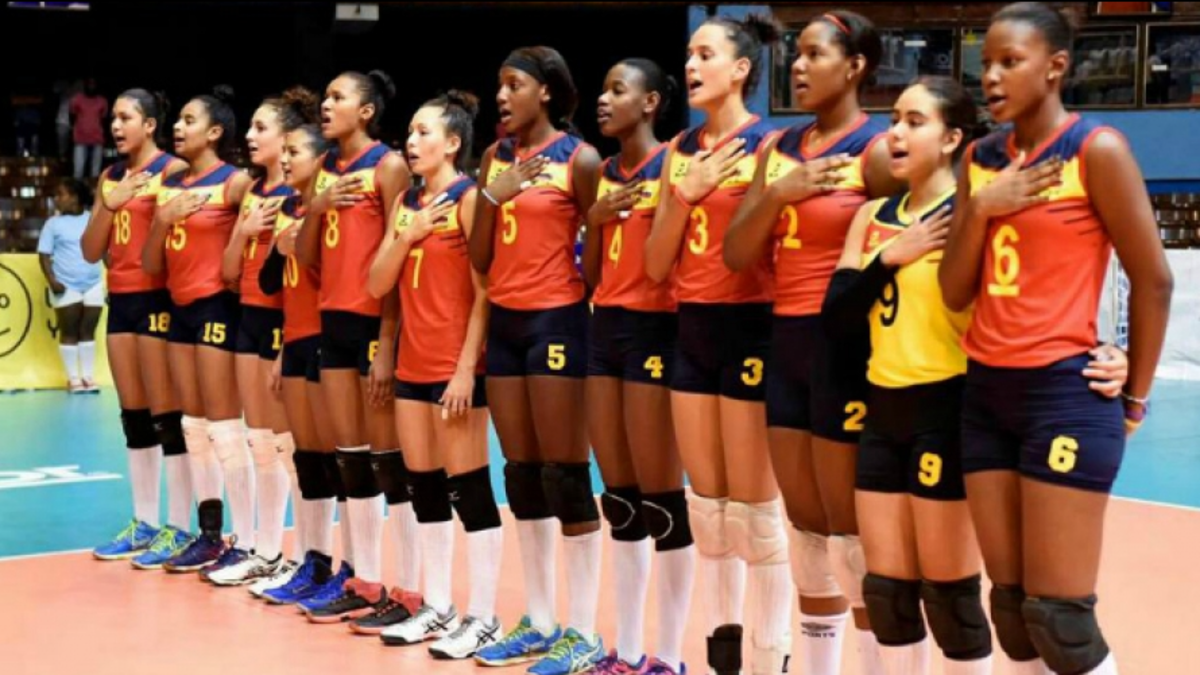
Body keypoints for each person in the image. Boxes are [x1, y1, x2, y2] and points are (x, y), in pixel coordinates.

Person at [938, 4, 1174, 674]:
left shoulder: (1096, 150)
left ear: (1056, 66)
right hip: (986, 396)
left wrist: (1134, 396)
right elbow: (955, 290)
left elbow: (1153, 280)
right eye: (986, 62)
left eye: (1010, 61)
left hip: (1063, 395)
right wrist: (982, 208)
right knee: (1014, 616)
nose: (991, 76)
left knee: (1061, 620)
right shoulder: (980, 161)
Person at [724, 11, 900, 674]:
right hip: (786, 344)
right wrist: (779, 193)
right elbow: (737, 252)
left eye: (814, 54)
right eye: (795, 53)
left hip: (848, 351)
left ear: (854, 67)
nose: (798, 66)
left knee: (854, 542)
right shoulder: (778, 150)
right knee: (807, 536)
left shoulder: (876, 151)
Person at [644, 15, 789, 675]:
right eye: (689, 54)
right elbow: (655, 264)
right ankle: (722, 661)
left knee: (757, 521)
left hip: (753, 327)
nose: (692, 66)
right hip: (693, 330)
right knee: (709, 516)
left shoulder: (771, 144)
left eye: (706, 54)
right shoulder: (679, 149)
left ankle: (771, 660)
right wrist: (685, 192)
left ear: (741, 69)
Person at [468, 46, 605, 674]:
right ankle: (541, 620)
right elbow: (480, 257)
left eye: (514, 84)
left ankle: (584, 632)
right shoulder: (495, 159)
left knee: (565, 476)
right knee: (521, 477)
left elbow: (598, 252)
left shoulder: (580, 160)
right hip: (507, 323)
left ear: (546, 91)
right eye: (500, 85)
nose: (502, 96)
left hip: (558, 321)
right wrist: (490, 198)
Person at [368, 89, 505, 659]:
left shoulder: (469, 199)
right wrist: (407, 234)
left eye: (425, 132)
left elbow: (485, 293)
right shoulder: (406, 203)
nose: (412, 140)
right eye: (410, 132)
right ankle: (438, 606)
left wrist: (466, 370)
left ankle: (485, 617)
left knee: (469, 488)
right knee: (422, 486)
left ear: (452, 143)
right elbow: (377, 283)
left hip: (454, 368)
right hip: (411, 365)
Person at [581, 57, 694, 675]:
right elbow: (593, 274)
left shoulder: (674, 160)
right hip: (606, 328)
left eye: (617, 90)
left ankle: (669, 656)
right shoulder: (603, 173)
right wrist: (594, 223)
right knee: (620, 502)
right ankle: (626, 651)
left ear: (650, 103)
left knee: (661, 501)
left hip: (657, 328)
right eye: (603, 89)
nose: (604, 99)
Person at [295, 70, 415, 627]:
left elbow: (398, 259)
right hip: (332, 320)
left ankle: (409, 591)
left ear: (366, 111)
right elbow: (306, 255)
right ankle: (364, 581)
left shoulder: (388, 166)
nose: (326, 104)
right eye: (326, 96)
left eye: (338, 97)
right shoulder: (325, 169)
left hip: (373, 324)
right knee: (350, 460)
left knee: (390, 463)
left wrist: (387, 344)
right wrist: (317, 207)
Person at [143, 86, 254, 575]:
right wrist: (161, 221)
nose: (178, 127)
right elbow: (151, 263)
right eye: (179, 119)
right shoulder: (168, 185)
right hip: (179, 308)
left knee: (225, 428)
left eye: (189, 120)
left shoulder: (235, 182)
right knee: (193, 426)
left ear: (214, 132)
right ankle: (209, 536)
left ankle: (248, 541)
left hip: (218, 308)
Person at [81, 88, 192, 568]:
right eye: (114, 118)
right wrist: (111, 203)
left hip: (159, 299)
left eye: (126, 117)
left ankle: (181, 527)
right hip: (122, 300)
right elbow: (91, 250)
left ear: (149, 125)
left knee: (169, 416)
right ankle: (144, 521)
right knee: (135, 417)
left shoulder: (173, 170)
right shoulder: (110, 177)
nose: (115, 126)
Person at [210, 89, 313, 588]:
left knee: (285, 444)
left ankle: (292, 554)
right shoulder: (252, 192)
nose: (250, 136)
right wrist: (243, 230)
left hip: (281, 321)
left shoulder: (298, 195)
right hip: (248, 314)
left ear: (288, 137)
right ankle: (261, 549)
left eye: (261, 128)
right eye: (249, 127)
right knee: (256, 440)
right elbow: (229, 273)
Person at [258, 119, 349, 607]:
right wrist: (279, 245)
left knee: (339, 461)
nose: (285, 159)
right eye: (285, 151)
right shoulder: (288, 208)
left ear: (320, 159)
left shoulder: (333, 206)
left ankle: (353, 569)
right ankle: (315, 562)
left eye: (295, 152)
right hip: (294, 339)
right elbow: (271, 283)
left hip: (325, 339)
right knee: (307, 459)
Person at [39, 178, 103, 393]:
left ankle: (88, 377)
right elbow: (44, 255)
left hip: (94, 283)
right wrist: (53, 281)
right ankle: (73, 378)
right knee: (69, 331)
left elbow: (103, 249)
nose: (56, 199)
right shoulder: (52, 224)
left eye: (61, 195)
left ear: (75, 198)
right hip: (66, 285)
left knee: (88, 331)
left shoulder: (92, 219)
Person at [71, 78, 109, 179]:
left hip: (97, 138)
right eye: (89, 84)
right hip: (80, 138)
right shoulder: (77, 99)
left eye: (93, 84)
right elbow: (72, 117)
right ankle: (77, 187)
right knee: (78, 170)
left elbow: (104, 120)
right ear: (85, 85)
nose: (91, 86)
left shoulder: (102, 101)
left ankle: (94, 187)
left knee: (95, 172)